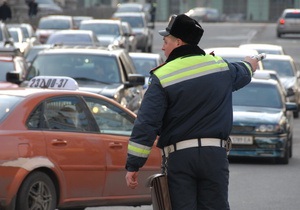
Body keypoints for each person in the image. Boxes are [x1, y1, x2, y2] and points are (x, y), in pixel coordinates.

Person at [125, 14, 259, 210]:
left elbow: (147, 123)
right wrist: (251, 63)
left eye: (165, 41)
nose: (162, 47)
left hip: (181, 159)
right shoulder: (220, 67)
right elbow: (243, 71)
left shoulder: (162, 76)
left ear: (178, 42)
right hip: (215, 156)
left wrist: (133, 165)